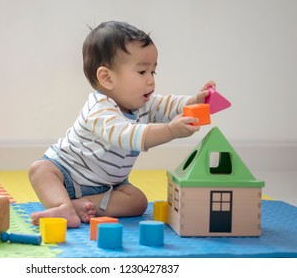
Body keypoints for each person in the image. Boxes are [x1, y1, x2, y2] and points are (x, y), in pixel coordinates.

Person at [28, 21, 215, 228]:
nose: (151, 81)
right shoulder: (99, 110)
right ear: (107, 78)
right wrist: (170, 131)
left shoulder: (143, 103)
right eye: (142, 72)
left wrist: (195, 101)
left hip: (109, 186)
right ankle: (62, 204)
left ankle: (81, 206)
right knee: (40, 169)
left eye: (153, 72)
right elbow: (128, 135)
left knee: (138, 202)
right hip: (67, 174)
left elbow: (169, 104)